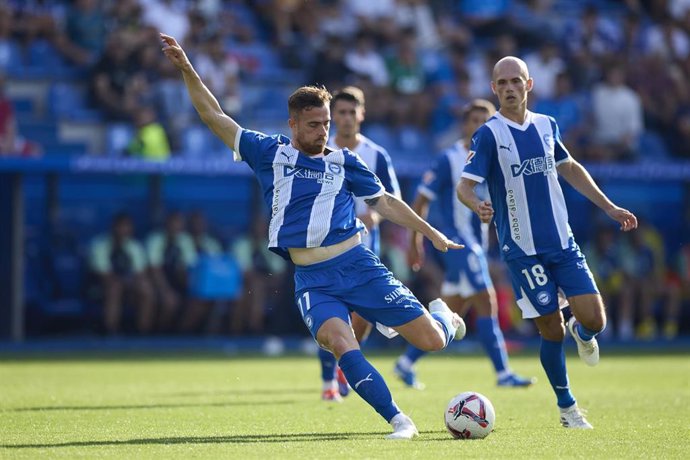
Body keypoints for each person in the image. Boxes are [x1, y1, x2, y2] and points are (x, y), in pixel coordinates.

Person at [161, 32, 465, 440]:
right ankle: (399, 420)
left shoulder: (345, 162)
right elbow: (214, 116)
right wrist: (186, 68)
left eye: (326, 123)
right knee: (342, 342)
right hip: (312, 279)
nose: (323, 131)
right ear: (293, 124)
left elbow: (386, 202)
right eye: (314, 124)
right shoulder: (270, 153)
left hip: (358, 266)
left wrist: (430, 232)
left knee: (431, 340)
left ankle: (445, 317)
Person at [457, 56, 638, 429]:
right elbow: (464, 185)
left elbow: (568, 167)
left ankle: (582, 333)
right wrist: (477, 204)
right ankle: (568, 408)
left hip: (563, 242)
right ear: (494, 89)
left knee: (595, 320)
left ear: (529, 84)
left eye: (515, 81)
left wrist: (608, 206)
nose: (509, 88)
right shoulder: (489, 134)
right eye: (502, 83)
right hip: (523, 250)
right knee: (550, 329)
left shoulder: (546, 126)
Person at [399, 99, 535, 389]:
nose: (479, 127)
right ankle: (503, 373)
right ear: (464, 125)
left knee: (450, 313)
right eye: (474, 121)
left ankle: (405, 362)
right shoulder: (448, 159)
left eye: (485, 122)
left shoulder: (494, 159)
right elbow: (421, 200)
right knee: (486, 302)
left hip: (478, 244)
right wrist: (416, 241)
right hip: (459, 243)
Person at [317, 86, 402, 402]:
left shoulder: (376, 154)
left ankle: (343, 369)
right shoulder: (320, 151)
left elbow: (391, 199)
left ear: (362, 114)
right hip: (328, 248)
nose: (347, 118)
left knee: (362, 315)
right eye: (341, 112)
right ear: (332, 116)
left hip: (366, 245)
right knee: (332, 312)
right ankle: (329, 379)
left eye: (353, 112)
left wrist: (374, 218)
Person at [88, 212, 155, 335]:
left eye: (126, 226)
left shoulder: (135, 247)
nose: (123, 230)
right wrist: (125, 282)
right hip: (100, 288)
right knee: (114, 287)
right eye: (120, 226)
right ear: (113, 227)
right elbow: (104, 276)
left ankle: (143, 331)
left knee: (146, 289)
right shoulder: (100, 245)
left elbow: (140, 274)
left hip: (129, 286)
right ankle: (111, 330)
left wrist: (132, 283)